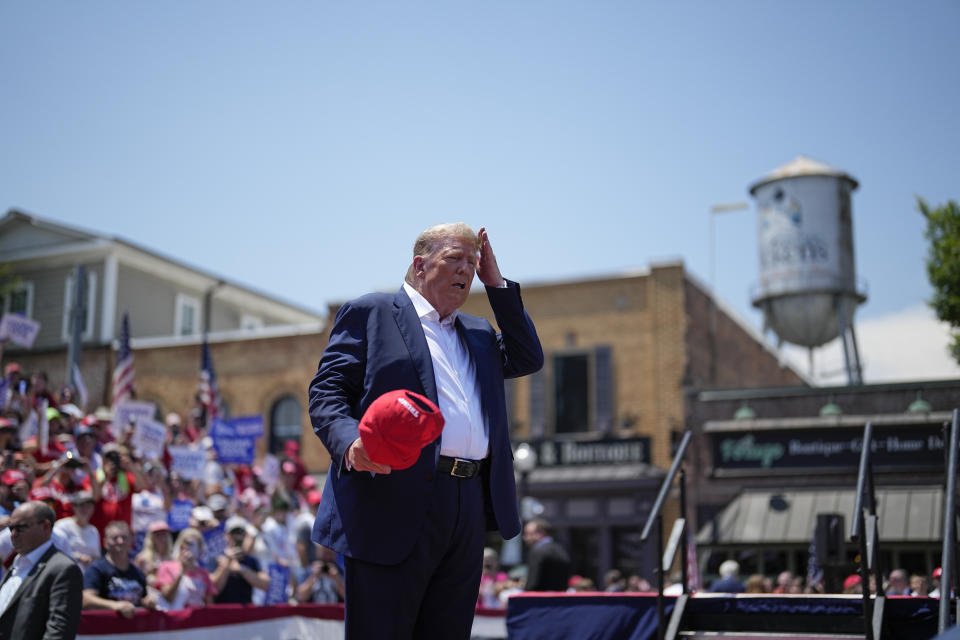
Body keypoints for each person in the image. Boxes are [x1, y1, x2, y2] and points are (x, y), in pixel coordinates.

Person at [309, 223, 543, 639]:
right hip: (391, 495)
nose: (466, 270)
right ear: (420, 265)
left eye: (473, 262)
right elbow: (327, 392)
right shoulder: (373, 312)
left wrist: (497, 283)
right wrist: (350, 442)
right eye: (455, 258)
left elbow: (527, 357)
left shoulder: (478, 332)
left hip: (467, 502)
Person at [0, 501, 83, 640]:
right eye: (11, 528)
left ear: (45, 526)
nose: (13, 534)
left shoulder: (62, 569)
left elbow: (59, 632)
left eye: (20, 528)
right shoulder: (16, 565)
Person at [82, 520, 152, 618]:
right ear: (105, 542)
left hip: (133, 631)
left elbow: (143, 599)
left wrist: (148, 602)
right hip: (106, 630)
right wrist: (114, 606)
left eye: (124, 537)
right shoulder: (96, 569)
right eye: (115, 538)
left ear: (131, 542)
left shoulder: (138, 573)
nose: (120, 541)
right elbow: (85, 600)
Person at [211, 516, 269, 604]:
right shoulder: (215, 558)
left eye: (241, 533)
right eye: (233, 533)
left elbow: (265, 584)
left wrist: (241, 569)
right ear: (226, 535)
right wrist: (226, 565)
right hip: (222, 612)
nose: (237, 537)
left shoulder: (250, 560)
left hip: (245, 613)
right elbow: (214, 588)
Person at [154, 527, 215, 610]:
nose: (191, 547)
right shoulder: (166, 567)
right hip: (175, 619)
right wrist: (182, 571)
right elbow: (168, 597)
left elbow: (209, 604)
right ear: (181, 546)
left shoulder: (203, 573)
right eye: (188, 543)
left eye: (196, 544)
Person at [53, 491, 101, 571]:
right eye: (82, 505)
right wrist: (79, 557)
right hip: (66, 573)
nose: (85, 509)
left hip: (88, 577)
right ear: (73, 507)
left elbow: (97, 556)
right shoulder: (62, 526)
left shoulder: (93, 531)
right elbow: (55, 552)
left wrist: (91, 558)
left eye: (89, 506)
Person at [523, 518, 573, 591]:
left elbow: (533, 582)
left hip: (539, 598)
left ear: (541, 533)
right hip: (559, 598)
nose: (525, 538)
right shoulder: (561, 550)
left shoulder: (538, 551)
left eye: (529, 534)